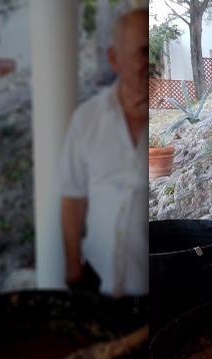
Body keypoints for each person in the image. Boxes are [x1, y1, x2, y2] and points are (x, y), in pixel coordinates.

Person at [58, 7, 149, 298]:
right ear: (114, 59)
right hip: (99, 283)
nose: (150, 62)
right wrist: (73, 265)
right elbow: (72, 198)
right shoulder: (86, 119)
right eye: (142, 52)